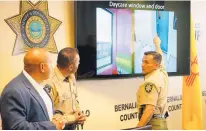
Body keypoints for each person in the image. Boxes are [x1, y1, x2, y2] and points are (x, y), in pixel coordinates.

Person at [0, 48, 65, 130]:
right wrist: (52, 126)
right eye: (51, 63)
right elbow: (16, 127)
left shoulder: (39, 84)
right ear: (42, 67)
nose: (53, 67)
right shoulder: (13, 91)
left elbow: (42, 113)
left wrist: (56, 116)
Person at [45, 47, 86, 130]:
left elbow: (75, 99)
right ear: (71, 67)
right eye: (78, 62)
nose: (79, 64)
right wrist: (73, 118)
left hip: (72, 126)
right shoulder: (49, 82)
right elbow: (48, 116)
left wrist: (79, 113)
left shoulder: (71, 76)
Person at [136, 35, 169, 130]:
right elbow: (160, 58)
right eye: (142, 61)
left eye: (146, 62)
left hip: (152, 124)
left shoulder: (150, 82)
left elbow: (149, 110)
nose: (142, 65)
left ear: (155, 65)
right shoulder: (162, 72)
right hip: (161, 122)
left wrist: (137, 128)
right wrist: (157, 44)